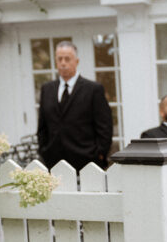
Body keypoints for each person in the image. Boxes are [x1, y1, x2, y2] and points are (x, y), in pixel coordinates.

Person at [37, 41, 113, 171]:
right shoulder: (47, 89)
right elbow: (42, 127)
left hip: (87, 161)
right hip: (54, 162)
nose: (63, 63)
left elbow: (105, 126)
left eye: (67, 59)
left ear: (76, 61)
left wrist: (99, 154)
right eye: (59, 59)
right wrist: (44, 151)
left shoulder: (93, 89)